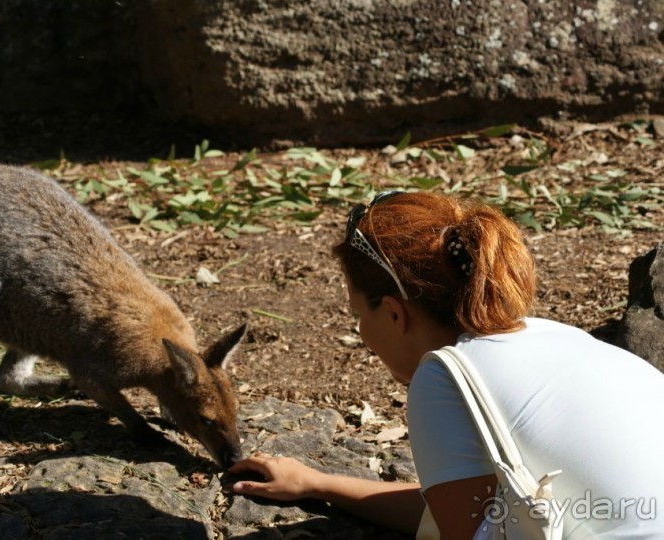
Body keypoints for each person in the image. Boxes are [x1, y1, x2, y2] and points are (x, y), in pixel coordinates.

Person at [228, 190, 664, 539]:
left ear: (395, 314)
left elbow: (472, 528)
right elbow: (463, 508)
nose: (361, 334)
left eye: (359, 315)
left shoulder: (445, 376)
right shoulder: (553, 334)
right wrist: (318, 484)